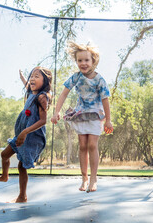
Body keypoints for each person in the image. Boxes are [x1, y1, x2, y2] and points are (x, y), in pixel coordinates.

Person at [51, 41, 113, 193]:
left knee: (92, 145)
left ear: (93, 61)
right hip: (80, 114)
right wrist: (56, 111)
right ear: (76, 62)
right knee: (83, 145)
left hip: (95, 115)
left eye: (86, 60)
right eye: (80, 60)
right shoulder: (76, 77)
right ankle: (84, 177)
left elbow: (105, 99)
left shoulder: (99, 79)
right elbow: (64, 93)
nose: (83, 63)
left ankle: (93, 178)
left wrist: (108, 120)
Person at [0, 66, 52, 203]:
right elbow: (27, 84)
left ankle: (22, 196)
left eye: (37, 76)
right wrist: (22, 76)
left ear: (45, 81)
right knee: (4, 155)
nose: (32, 79)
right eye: (31, 76)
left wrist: (25, 132)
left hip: (32, 136)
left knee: (21, 166)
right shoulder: (31, 92)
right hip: (22, 134)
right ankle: (4, 176)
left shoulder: (42, 97)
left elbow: (43, 120)